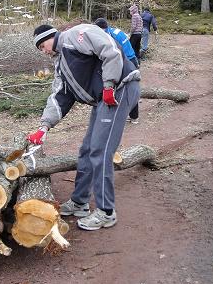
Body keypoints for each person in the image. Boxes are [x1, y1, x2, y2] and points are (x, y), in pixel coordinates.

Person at [28, 23, 140, 231]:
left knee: (100, 151)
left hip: (120, 88)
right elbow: (59, 96)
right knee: (87, 150)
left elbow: (110, 49)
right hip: (103, 99)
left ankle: (106, 212)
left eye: (43, 45)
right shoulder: (61, 65)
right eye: (40, 49)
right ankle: (79, 203)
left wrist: (108, 84)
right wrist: (44, 127)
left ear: (51, 36)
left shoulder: (76, 35)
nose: (43, 51)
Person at [93, 18, 140, 124]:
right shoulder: (114, 31)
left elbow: (116, 54)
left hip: (128, 61)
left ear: (101, 29)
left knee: (128, 89)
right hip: (130, 59)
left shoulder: (111, 36)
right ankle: (127, 115)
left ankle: (134, 117)